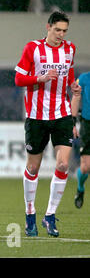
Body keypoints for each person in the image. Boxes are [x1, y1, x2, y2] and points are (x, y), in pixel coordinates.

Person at [14, 11, 81, 237]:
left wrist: (73, 86)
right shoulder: (32, 48)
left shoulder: (69, 49)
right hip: (36, 116)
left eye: (64, 31)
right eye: (57, 30)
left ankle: (50, 216)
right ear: (48, 27)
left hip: (62, 114)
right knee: (33, 167)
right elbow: (18, 79)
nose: (61, 35)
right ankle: (30, 212)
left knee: (63, 165)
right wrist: (39, 78)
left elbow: (69, 73)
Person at [71, 71, 90, 208]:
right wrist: (73, 122)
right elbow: (76, 97)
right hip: (87, 125)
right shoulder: (83, 78)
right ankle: (80, 188)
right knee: (85, 167)